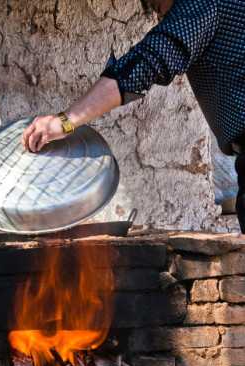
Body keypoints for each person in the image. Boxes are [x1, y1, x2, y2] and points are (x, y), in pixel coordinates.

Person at [21, 0, 245, 233]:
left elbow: (146, 63)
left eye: (157, 6)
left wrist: (64, 121)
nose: (159, 15)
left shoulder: (201, 4)